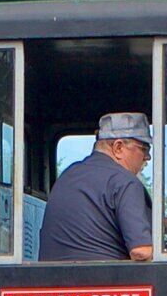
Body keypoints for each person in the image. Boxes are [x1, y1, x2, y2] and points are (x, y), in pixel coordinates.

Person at [39, 112, 158, 262]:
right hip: (107, 281)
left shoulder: (67, 176)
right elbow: (141, 251)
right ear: (118, 147)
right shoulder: (125, 181)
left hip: (53, 281)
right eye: (143, 148)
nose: (148, 157)